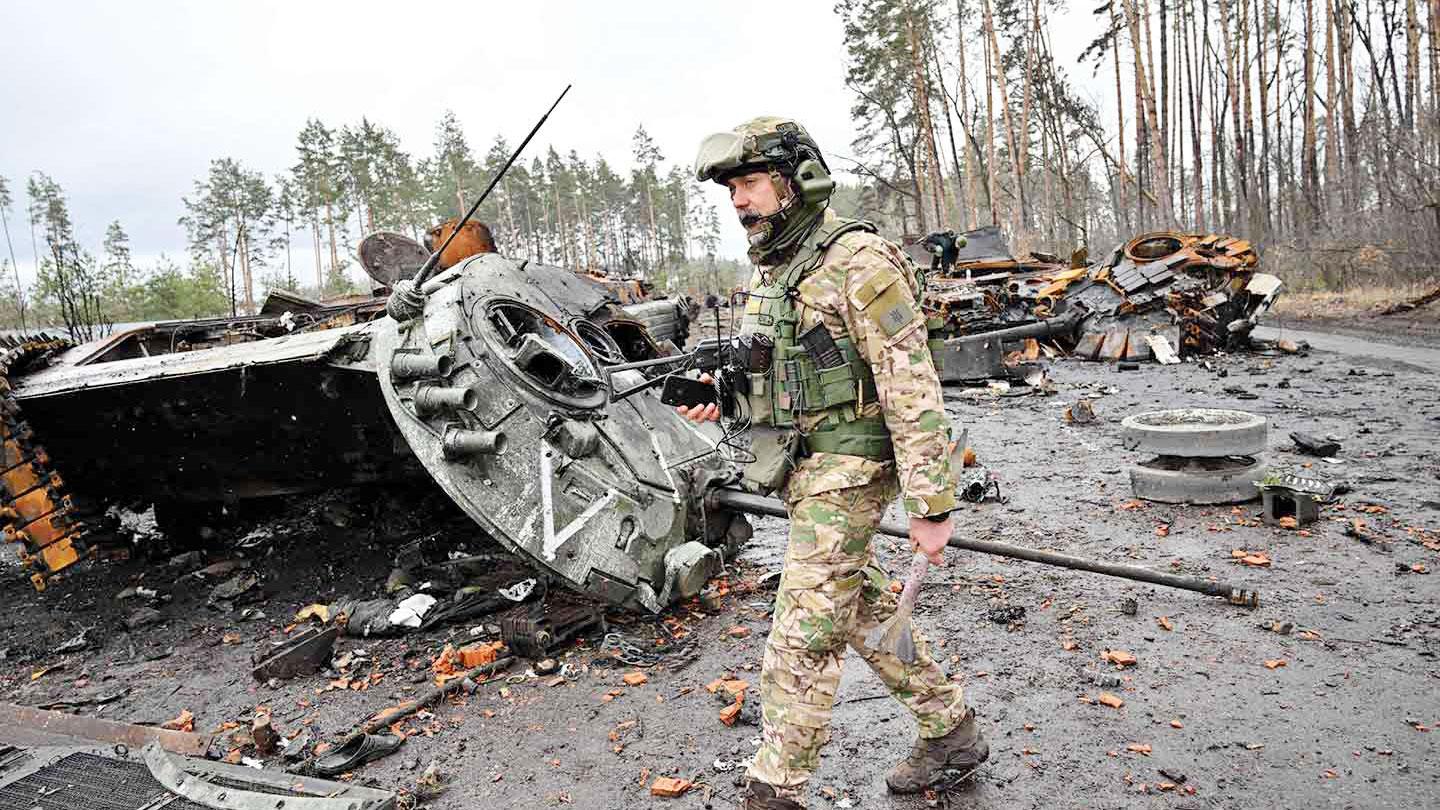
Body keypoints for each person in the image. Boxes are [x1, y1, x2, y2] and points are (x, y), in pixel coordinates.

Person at [683, 117, 988, 809]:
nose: (740, 202)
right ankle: (951, 730)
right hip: (803, 466)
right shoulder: (774, 269)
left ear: (798, 181)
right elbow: (777, 373)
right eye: (732, 189)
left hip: (850, 465)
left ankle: (775, 789)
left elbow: (912, 387)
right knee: (858, 608)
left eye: (752, 184)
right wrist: (719, 395)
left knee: (804, 631)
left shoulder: (860, 260)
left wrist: (931, 506)